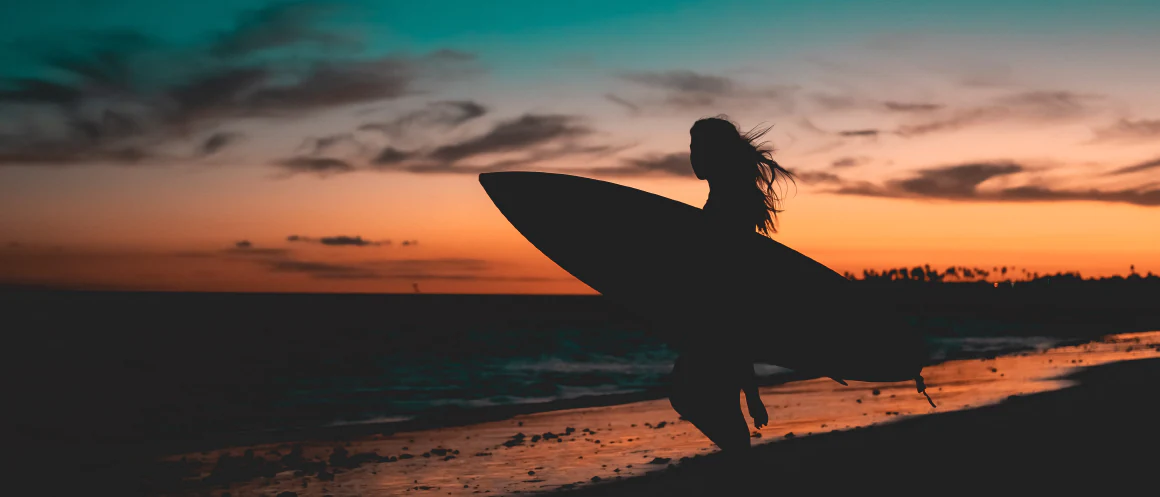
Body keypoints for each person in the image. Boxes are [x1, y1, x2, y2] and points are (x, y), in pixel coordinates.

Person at [668, 115, 795, 451]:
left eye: (699, 147)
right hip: (717, 326)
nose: (693, 155)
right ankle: (740, 465)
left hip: (718, 325)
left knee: (686, 393)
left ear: (717, 152)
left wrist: (752, 391)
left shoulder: (728, 207)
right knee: (699, 397)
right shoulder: (727, 201)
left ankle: (741, 467)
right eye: (691, 147)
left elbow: (732, 290)